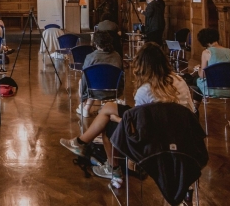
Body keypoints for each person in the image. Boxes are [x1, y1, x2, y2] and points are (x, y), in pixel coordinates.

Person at [60, 43, 194, 185]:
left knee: (108, 124)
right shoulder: (180, 81)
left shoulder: (145, 90)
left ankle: (113, 168)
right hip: (182, 134)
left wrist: (117, 119)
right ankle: (80, 143)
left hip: (156, 138)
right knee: (109, 107)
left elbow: (140, 126)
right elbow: (192, 111)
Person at [186, 28, 230, 111]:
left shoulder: (207, 52)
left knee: (194, 80)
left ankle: (194, 109)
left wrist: (198, 68)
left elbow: (203, 75)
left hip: (213, 89)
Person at [76, 31, 123, 118]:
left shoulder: (90, 57)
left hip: (94, 91)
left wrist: (82, 99)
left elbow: (85, 78)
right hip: (114, 91)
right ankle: (97, 107)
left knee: (84, 81)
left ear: (96, 43)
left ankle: (85, 108)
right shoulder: (117, 56)